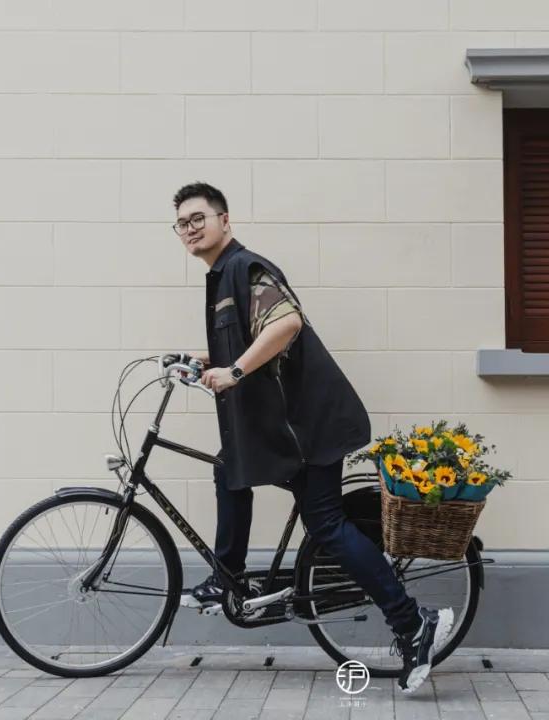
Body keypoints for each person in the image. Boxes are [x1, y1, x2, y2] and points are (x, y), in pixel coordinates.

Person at [170, 181, 453, 693]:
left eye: (199, 218)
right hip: (286, 428)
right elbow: (255, 340)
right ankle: (227, 578)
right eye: (182, 223)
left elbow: (286, 324)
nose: (191, 229)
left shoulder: (247, 267)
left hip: (309, 425)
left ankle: (414, 622)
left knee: (324, 522)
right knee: (227, 467)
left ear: (224, 221)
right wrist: (206, 360)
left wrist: (233, 371)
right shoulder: (222, 277)